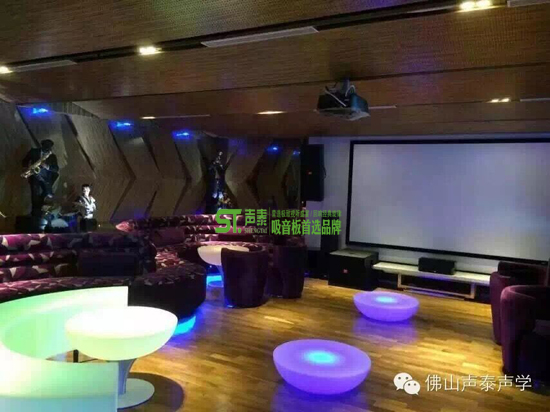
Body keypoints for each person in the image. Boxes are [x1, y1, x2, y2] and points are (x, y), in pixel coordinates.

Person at [21, 139, 59, 216]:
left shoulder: (52, 156)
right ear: (42, 146)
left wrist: (47, 166)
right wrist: (26, 168)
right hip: (34, 176)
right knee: (34, 196)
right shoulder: (34, 151)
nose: (47, 150)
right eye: (45, 148)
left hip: (45, 178)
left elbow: (56, 169)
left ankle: (39, 211)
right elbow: (25, 161)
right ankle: (35, 214)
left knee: (46, 194)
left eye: (48, 148)